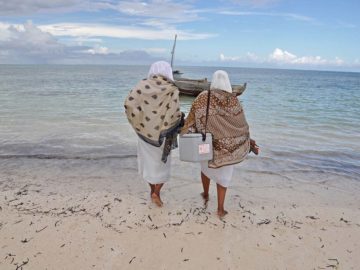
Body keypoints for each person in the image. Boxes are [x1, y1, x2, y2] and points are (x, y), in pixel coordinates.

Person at [181, 70, 258, 217]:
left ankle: (205, 194)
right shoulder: (234, 100)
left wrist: (187, 131)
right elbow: (241, 124)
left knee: (205, 169)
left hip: (207, 144)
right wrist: (247, 139)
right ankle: (220, 209)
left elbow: (192, 118)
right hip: (229, 149)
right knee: (224, 177)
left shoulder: (203, 96)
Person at [124, 61, 184, 207]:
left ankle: (153, 192)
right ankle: (156, 193)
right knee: (162, 166)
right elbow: (175, 113)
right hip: (164, 135)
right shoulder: (172, 89)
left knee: (149, 165)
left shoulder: (142, 85)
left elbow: (129, 104)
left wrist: (139, 123)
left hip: (145, 133)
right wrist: (175, 123)